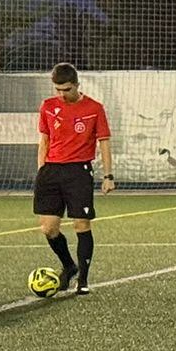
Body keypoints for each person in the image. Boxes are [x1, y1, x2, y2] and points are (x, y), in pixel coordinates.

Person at [35, 63, 113, 294]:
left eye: (66, 89)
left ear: (77, 85)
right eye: (58, 89)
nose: (62, 94)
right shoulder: (48, 107)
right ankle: (69, 267)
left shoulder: (94, 108)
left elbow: (105, 142)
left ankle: (83, 281)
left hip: (78, 172)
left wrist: (108, 176)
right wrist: (41, 170)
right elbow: (44, 140)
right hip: (51, 171)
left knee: (81, 224)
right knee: (49, 229)